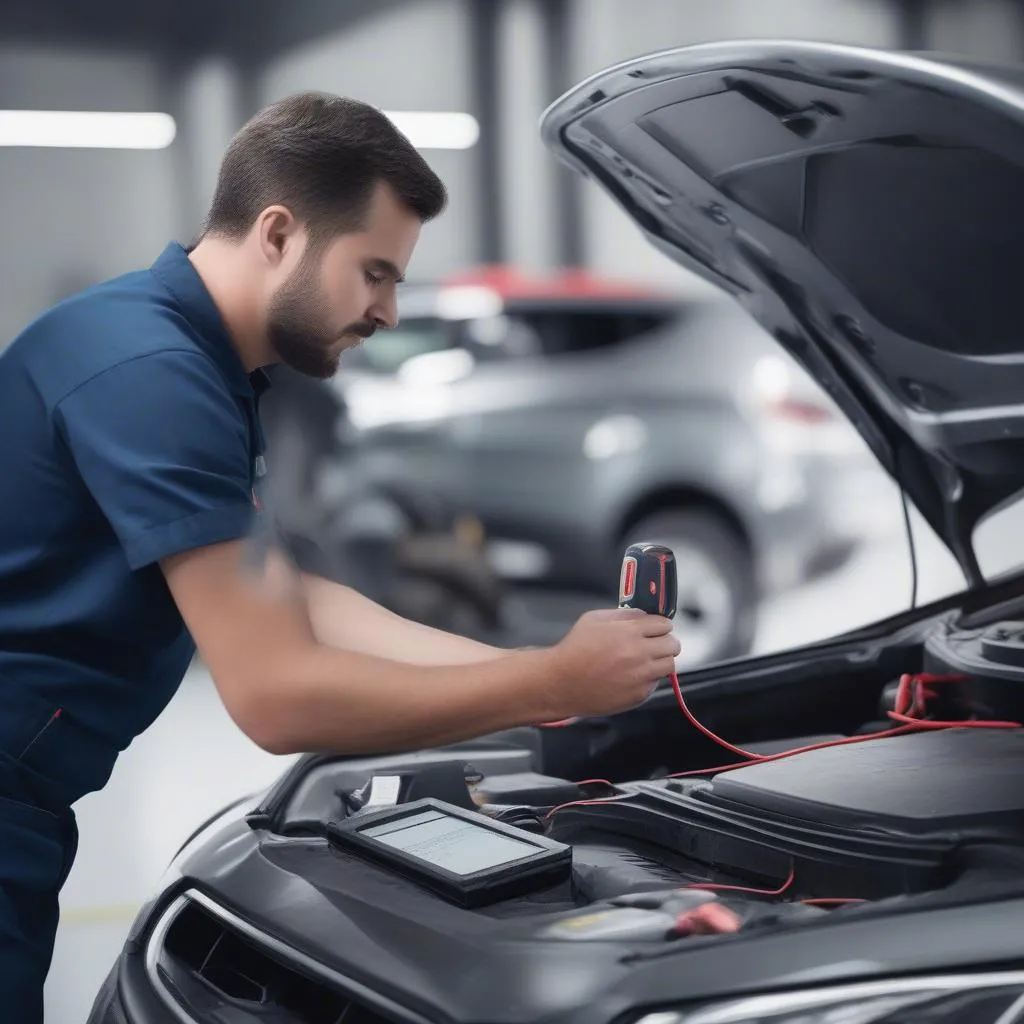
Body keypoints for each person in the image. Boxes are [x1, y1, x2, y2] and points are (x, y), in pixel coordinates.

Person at [0, 91, 679, 1016]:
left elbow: (296, 597)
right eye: (374, 273)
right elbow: (277, 695)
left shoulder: (185, 357)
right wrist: (551, 688)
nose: (391, 311)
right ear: (278, 233)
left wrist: (541, 674)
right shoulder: (150, 373)